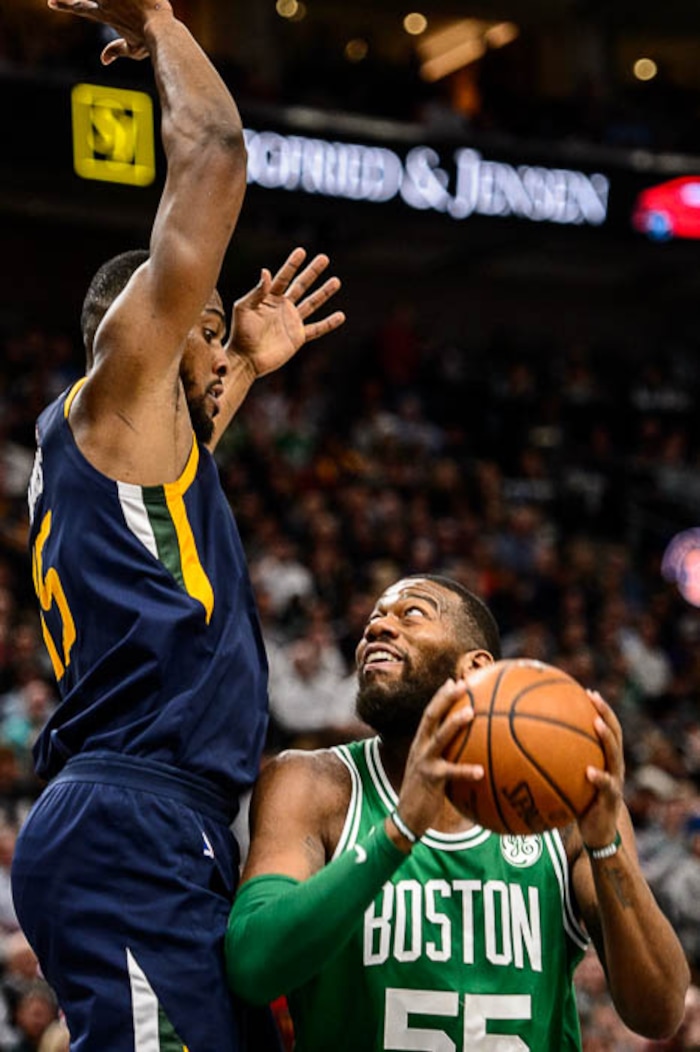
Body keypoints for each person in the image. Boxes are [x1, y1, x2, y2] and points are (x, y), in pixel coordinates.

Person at [11, 0, 344, 1050]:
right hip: (133, 818)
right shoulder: (117, 389)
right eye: (207, 324)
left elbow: (189, 442)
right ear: (153, 331)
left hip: (157, 817)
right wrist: (160, 20)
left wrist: (242, 361)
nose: (220, 337)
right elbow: (216, 155)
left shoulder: (125, 458)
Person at [226, 574, 690, 1050]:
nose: (377, 627)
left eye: (411, 614)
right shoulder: (313, 785)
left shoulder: (562, 807)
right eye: (374, 619)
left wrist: (607, 846)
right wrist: (398, 832)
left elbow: (659, 1012)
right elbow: (252, 967)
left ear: (475, 668)